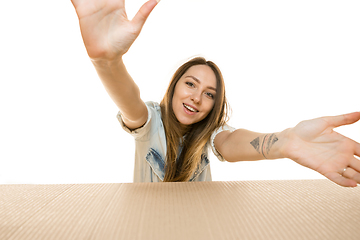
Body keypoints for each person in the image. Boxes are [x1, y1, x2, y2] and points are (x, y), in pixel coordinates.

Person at [70, 0, 360, 186]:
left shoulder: (212, 134)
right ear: (174, 87)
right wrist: (106, 61)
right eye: (191, 84)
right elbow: (129, 100)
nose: (197, 97)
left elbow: (232, 143)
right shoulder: (150, 123)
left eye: (210, 94)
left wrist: (286, 142)